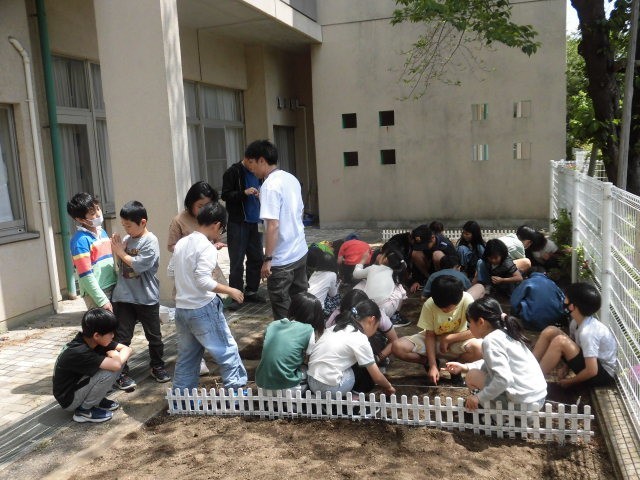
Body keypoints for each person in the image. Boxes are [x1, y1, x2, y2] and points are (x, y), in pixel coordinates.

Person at [168, 202, 248, 394]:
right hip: (202, 307)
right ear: (217, 225)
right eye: (222, 229)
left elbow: (171, 271)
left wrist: (187, 281)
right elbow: (203, 280)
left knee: (187, 356)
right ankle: (236, 391)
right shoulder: (206, 247)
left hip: (182, 309)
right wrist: (230, 290)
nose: (221, 233)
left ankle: (181, 399)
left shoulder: (182, 243)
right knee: (226, 349)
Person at [445, 297, 547, 412]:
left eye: (470, 324)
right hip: (538, 400)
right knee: (474, 372)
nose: (469, 328)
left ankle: (495, 416)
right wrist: (465, 367)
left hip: (522, 405)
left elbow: (504, 380)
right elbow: (491, 363)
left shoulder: (491, 341)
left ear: (481, 322)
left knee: (472, 376)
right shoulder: (506, 332)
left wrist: (478, 397)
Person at [110, 200, 170, 392]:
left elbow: (139, 265)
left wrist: (120, 252)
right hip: (123, 297)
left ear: (142, 222)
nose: (126, 229)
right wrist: (117, 250)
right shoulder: (127, 240)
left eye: (129, 225)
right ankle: (121, 372)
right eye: (123, 225)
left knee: (154, 336)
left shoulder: (150, 241)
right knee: (122, 337)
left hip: (146, 297)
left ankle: (157, 366)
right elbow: (120, 265)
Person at [245, 139, 308, 320]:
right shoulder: (291, 178)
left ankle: (288, 338)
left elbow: (273, 225)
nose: (250, 168)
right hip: (300, 251)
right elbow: (299, 211)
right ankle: (306, 335)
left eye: (251, 163)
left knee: (283, 313)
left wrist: (268, 259)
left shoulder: (269, 186)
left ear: (262, 160)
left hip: (282, 260)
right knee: (301, 305)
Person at [167, 181, 224, 375]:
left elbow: (216, 238)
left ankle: (209, 353)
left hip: (208, 273)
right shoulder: (179, 220)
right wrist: (192, 248)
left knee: (211, 317)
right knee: (190, 325)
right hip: (188, 279)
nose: (204, 210)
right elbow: (171, 246)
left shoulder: (211, 219)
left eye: (208, 205)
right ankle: (197, 361)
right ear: (190, 203)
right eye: (200, 206)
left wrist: (213, 246)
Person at [392, 276, 483, 385]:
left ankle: (456, 367)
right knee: (398, 347)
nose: (444, 310)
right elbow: (429, 335)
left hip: (458, 340)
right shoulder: (429, 304)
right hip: (434, 340)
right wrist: (432, 365)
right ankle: (429, 361)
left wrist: (449, 338)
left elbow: (477, 331)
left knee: (481, 348)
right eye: (440, 307)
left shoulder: (466, 300)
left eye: (448, 308)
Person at [52, 308, 132, 423]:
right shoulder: (80, 351)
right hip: (69, 399)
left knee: (116, 362)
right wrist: (116, 358)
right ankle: (84, 411)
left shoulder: (92, 340)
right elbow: (116, 365)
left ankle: (96, 400)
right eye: (110, 333)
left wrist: (117, 360)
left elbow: (127, 349)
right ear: (97, 335)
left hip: (77, 387)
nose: (113, 336)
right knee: (109, 370)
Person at [533, 283, 617, 388]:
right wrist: (566, 367)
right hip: (591, 366)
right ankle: (529, 368)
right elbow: (573, 349)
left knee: (560, 341)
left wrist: (570, 381)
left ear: (572, 306)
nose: (564, 301)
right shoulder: (576, 323)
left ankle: (533, 381)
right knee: (551, 331)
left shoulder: (588, 333)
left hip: (602, 376)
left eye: (566, 299)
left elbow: (592, 370)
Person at [308, 299, 395, 396]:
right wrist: (389, 387)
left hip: (312, 381)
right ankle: (354, 396)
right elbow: (377, 377)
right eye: (376, 326)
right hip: (330, 388)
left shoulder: (335, 328)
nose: (374, 332)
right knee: (363, 369)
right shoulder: (360, 338)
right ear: (372, 320)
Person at [255, 292, 324, 394]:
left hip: (262, 385)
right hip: (288, 389)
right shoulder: (308, 330)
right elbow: (309, 359)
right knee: (309, 371)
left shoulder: (272, 325)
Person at [221, 154, 265, 309]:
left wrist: (260, 194)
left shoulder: (259, 174)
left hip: (256, 222)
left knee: (257, 257)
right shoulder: (233, 172)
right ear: (247, 159)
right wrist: (243, 193)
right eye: (253, 163)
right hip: (238, 222)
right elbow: (225, 195)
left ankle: (252, 291)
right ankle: (236, 296)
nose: (254, 167)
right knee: (237, 260)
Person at [67, 192, 116, 311]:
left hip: (112, 285)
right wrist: (102, 300)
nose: (98, 214)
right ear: (80, 219)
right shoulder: (80, 241)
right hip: (97, 293)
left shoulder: (102, 232)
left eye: (98, 209)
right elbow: (85, 274)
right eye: (93, 213)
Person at [353, 248, 409, 328]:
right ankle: (394, 316)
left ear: (385, 259)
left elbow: (356, 274)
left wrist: (362, 261)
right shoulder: (396, 273)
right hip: (385, 311)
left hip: (367, 308)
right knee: (400, 289)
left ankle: (355, 307)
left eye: (382, 254)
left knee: (362, 284)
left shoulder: (373, 268)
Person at [308, 251, 340, 316]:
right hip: (317, 308)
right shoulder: (332, 274)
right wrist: (338, 285)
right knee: (337, 297)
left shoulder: (315, 272)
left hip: (306, 302)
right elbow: (332, 294)